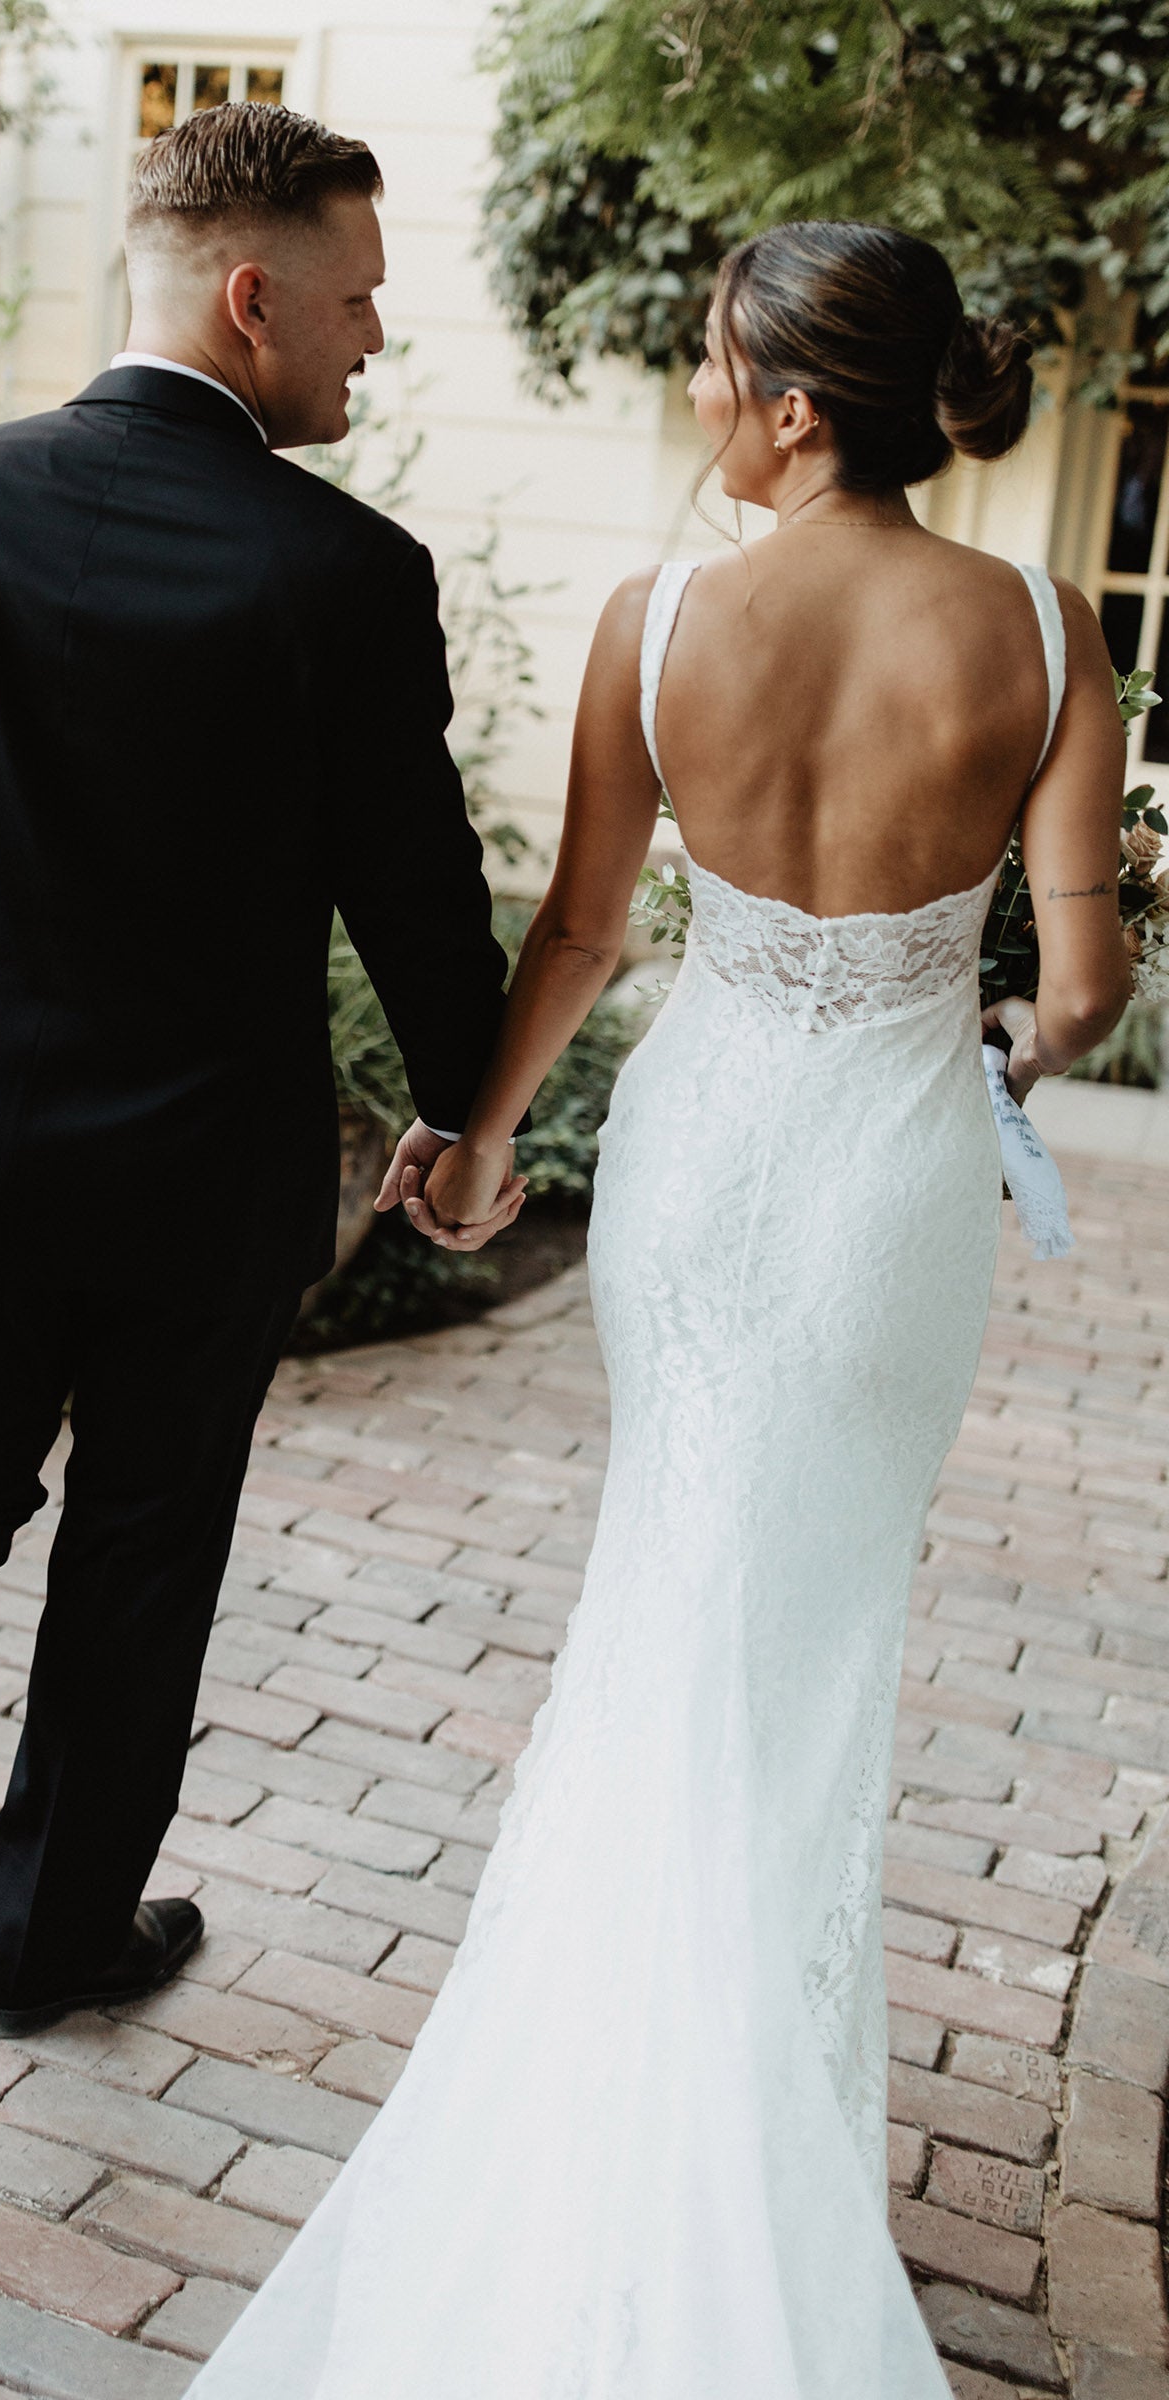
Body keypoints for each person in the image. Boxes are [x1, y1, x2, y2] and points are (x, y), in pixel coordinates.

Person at [186, 221, 1131, 2398]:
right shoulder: (1039, 630)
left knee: (666, 1600)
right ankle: (754, 2128)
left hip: (698, 1176)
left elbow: (585, 933)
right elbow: (1079, 987)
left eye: (712, 365)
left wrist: (472, 1143)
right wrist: (998, 1047)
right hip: (886, 1192)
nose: (700, 398)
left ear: (791, 404)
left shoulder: (658, 618)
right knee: (812, 1645)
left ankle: (632, 2086)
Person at [0, 102, 526, 2181]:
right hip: (199, 1180)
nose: (373, 341)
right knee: (143, 1543)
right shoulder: (346, 574)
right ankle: (49, 1935)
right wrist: (468, 1115)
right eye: (356, 302)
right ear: (251, 296)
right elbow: (419, 897)